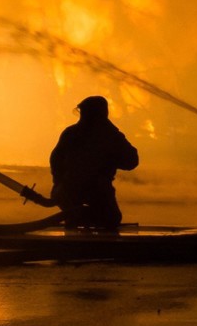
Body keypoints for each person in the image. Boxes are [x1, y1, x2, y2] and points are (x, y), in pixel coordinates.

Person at [50, 96, 139, 229]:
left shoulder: (71, 133)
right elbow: (131, 160)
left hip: (68, 190)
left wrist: (58, 184)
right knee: (111, 219)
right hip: (94, 190)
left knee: (76, 216)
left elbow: (55, 159)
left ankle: (77, 221)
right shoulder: (109, 135)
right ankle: (83, 220)